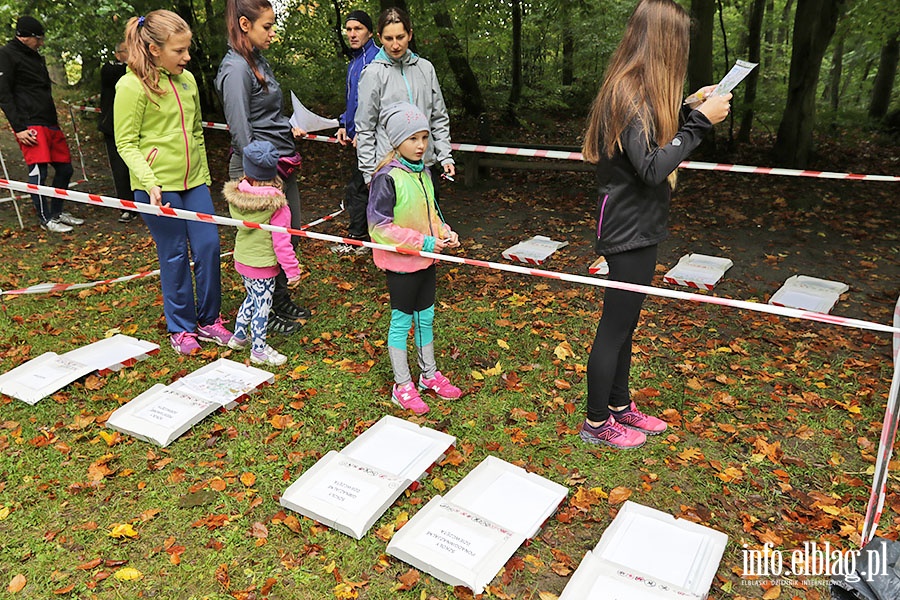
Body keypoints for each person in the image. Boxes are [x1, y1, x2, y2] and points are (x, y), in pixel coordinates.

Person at [579, 0, 732, 449]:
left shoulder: (641, 92)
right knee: (615, 324)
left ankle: (619, 407)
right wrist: (699, 125)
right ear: (664, 41)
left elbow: (650, 148)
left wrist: (688, 112)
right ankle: (594, 423)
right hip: (627, 228)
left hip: (640, 223)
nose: (684, 50)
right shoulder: (628, 92)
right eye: (680, 41)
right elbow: (650, 167)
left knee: (626, 323)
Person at [114, 10, 233, 355]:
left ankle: (209, 321)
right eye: (178, 51)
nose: (187, 57)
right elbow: (126, 143)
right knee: (175, 253)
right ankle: (181, 327)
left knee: (209, 246)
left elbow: (195, 132)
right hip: (157, 187)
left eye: (187, 49)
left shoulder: (187, 80)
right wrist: (149, 182)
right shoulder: (131, 85)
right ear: (153, 49)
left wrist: (203, 176)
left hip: (193, 182)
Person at [216, 0, 310, 337]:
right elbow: (242, 131)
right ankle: (264, 311)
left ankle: (278, 298)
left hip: (282, 163)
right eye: (267, 26)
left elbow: (266, 114)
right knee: (263, 247)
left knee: (289, 235)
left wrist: (288, 126)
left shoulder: (257, 60)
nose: (272, 32)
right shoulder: (236, 69)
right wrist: (260, 181)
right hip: (258, 172)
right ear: (245, 24)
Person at [367, 102, 462, 415]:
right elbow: (379, 229)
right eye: (413, 139)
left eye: (425, 137)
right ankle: (402, 384)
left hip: (426, 261)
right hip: (402, 265)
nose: (421, 145)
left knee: (425, 318)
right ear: (397, 141)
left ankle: (428, 374)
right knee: (401, 322)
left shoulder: (424, 173)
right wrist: (424, 242)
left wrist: (445, 232)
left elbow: (430, 212)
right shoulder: (386, 177)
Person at [355, 7, 454, 191]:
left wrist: (445, 156)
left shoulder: (426, 69)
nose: (395, 45)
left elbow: (438, 117)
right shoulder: (372, 74)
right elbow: (365, 128)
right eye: (388, 38)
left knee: (429, 220)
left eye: (400, 37)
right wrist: (369, 174)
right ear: (379, 37)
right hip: (389, 172)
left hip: (425, 168)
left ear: (409, 34)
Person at [0, 16, 82, 233]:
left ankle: (57, 211)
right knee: (39, 172)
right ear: (24, 36)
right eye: (38, 38)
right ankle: (45, 219)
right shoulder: (6, 54)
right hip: (29, 123)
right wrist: (19, 128)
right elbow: (4, 94)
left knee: (65, 169)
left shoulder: (36, 56)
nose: (41, 43)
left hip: (49, 121)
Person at [224, 141, 300, 366]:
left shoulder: (239, 197)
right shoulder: (277, 205)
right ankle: (258, 349)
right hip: (263, 266)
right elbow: (282, 243)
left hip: (243, 261)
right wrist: (292, 270)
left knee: (251, 298)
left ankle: (238, 337)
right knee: (263, 307)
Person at [330, 9, 379, 256]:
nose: (352, 34)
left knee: (360, 189)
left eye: (357, 29)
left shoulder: (377, 59)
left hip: (374, 141)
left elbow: (378, 103)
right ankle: (368, 238)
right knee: (362, 188)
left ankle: (358, 240)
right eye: (348, 29)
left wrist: (365, 131)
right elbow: (354, 100)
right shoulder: (355, 61)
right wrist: (343, 124)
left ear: (370, 32)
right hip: (357, 139)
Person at [99, 40, 136, 223]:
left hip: (135, 125)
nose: (132, 54)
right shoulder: (110, 69)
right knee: (120, 167)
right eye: (128, 51)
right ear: (118, 54)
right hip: (113, 127)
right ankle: (127, 206)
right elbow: (115, 76)